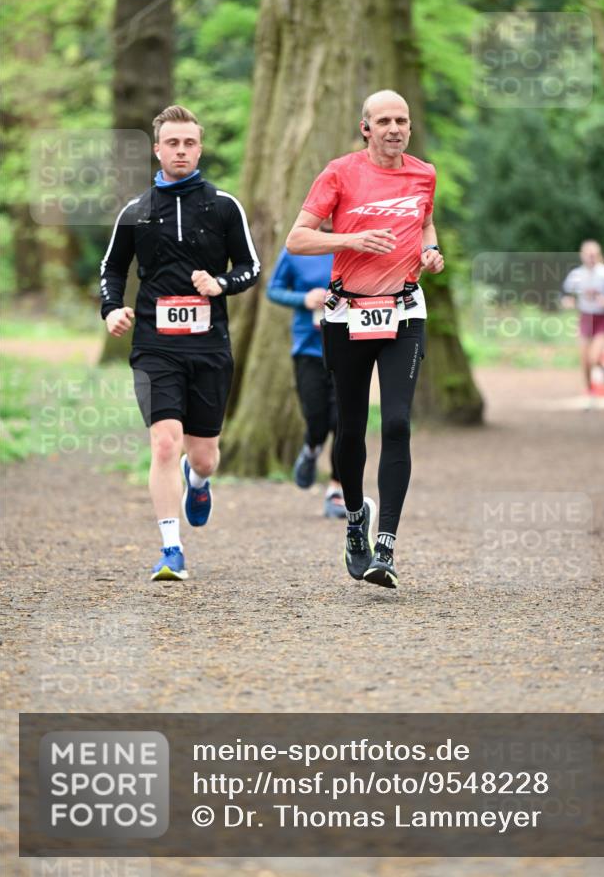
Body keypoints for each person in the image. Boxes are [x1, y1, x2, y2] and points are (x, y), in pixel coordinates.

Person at [285, 89, 444, 589]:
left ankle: (387, 547)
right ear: (366, 128)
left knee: (396, 423)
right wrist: (349, 239)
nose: (395, 128)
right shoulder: (339, 173)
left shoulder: (424, 174)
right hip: (348, 313)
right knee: (350, 429)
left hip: (404, 310)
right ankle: (356, 518)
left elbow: (425, 224)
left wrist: (432, 251)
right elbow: (297, 238)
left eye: (403, 119)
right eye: (384, 121)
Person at [100, 105, 261, 579]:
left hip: (209, 345)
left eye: (189, 143)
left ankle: (199, 481)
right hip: (155, 344)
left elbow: (250, 267)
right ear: (157, 149)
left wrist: (220, 285)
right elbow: (112, 270)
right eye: (172, 143)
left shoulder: (224, 206)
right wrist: (112, 309)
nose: (181, 151)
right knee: (165, 444)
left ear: (200, 147)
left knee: (203, 454)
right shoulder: (136, 211)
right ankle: (171, 549)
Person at [266, 237, 346, 518]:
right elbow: (273, 290)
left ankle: (336, 489)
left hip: (349, 347)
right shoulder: (297, 247)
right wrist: (304, 299)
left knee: (343, 422)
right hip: (308, 349)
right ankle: (312, 448)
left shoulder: (354, 243)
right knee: (317, 418)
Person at [561, 240, 604, 397]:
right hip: (585, 318)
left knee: (593, 358)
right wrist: (567, 300)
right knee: (585, 360)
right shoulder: (576, 275)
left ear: (599, 255)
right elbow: (565, 292)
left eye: (594, 254)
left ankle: (602, 368)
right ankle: (589, 390)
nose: (591, 258)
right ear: (582, 256)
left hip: (601, 319)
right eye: (588, 254)